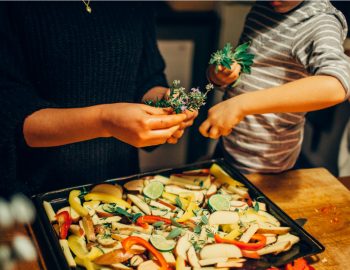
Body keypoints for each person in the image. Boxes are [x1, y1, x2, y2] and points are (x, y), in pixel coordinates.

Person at [0, 1, 196, 196]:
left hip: (118, 186)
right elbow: (13, 120)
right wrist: (105, 121)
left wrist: (162, 102)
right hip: (36, 196)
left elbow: (146, 77)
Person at [200, 0, 350, 174]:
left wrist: (240, 105)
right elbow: (255, 68)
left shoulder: (320, 22)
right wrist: (219, 75)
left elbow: (336, 85)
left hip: (267, 161)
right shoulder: (263, 7)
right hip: (229, 145)